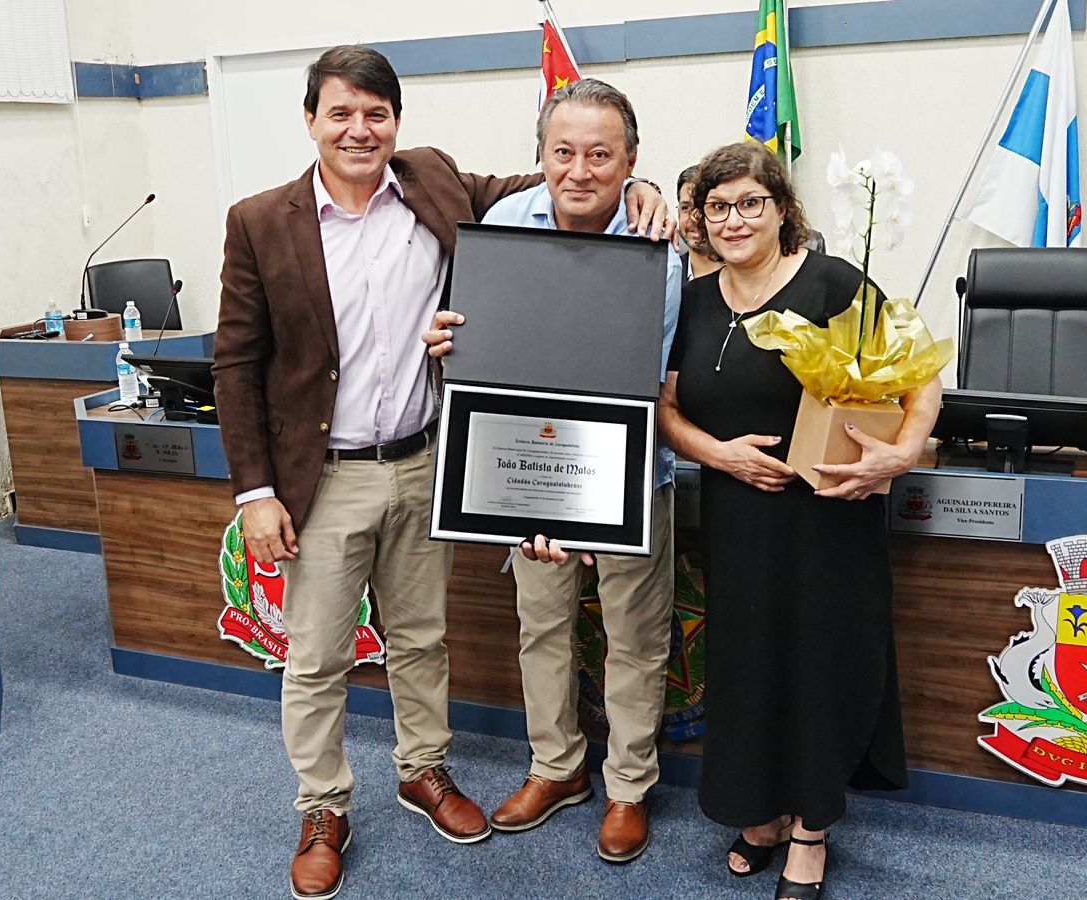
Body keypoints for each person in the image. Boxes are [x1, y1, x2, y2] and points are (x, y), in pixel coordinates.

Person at [211, 46, 669, 900]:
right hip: (325, 477)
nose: (360, 130)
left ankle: (423, 771)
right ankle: (322, 808)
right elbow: (235, 364)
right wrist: (256, 491)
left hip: (425, 463)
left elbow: (561, 183)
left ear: (396, 122)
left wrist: (645, 192)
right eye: (341, 113)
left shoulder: (433, 183)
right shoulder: (260, 220)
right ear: (310, 118)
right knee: (316, 658)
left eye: (376, 113)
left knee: (422, 639)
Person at [658, 142, 942, 900]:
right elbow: (667, 410)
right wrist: (718, 455)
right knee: (749, 665)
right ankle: (758, 811)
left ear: (783, 209)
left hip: (827, 517)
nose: (734, 219)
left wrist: (901, 454)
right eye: (718, 207)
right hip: (737, 516)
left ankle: (811, 831)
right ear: (701, 220)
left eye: (751, 202)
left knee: (816, 665)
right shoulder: (692, 300)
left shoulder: (833, 283)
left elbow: (919, 379)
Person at [423, 79, 682, 865]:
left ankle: (629, 788)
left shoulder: (657, 245)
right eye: (562, 152)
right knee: (541, 626)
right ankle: (557, 769)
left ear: (630, 161)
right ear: (540, 156)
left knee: (636, 638)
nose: (580, 170)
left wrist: (588, 505)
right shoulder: (503, 224)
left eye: (601, 155)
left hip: (631, 479)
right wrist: (449, 348)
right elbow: (491, 366)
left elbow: (644, 379)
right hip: (522, 469)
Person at [676, 164, 723, 280]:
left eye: (702, 207)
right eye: (686, 208)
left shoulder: (746, 276)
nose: (695, 218)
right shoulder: (667, 275)